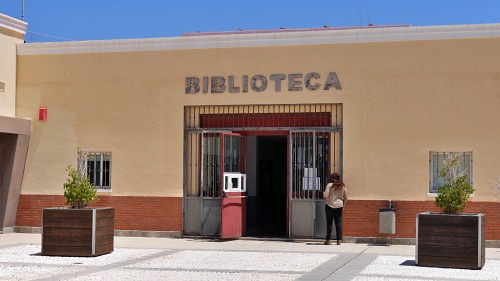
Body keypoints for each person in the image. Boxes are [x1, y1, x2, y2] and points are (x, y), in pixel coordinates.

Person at [323, 173, 348, 245]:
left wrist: (326, 197)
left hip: (329, 205)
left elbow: (325, 195)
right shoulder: (342, 186)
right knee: (338, 223)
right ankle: (339, 240)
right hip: (339, 206)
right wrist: (344, 206)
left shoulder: (329, 185)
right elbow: (346, 198)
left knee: (329, 223)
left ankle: (328, 240)